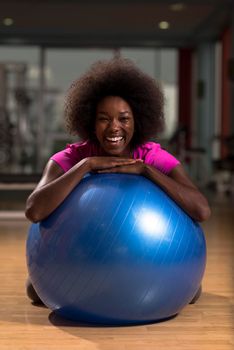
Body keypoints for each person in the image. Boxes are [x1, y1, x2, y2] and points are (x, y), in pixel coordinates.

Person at [25, 57, 211, 304]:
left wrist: (146, 171)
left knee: (190, 291)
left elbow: (202, 210)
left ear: (137, 121)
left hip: (146, 261)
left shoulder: (152, 157)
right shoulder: (71, 158)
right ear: (91, 121)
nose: (114, 128)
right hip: (78, 260)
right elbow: (34, 210)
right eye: (104, 118)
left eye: (123, 119)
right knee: (35, 292)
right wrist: (86, 165)